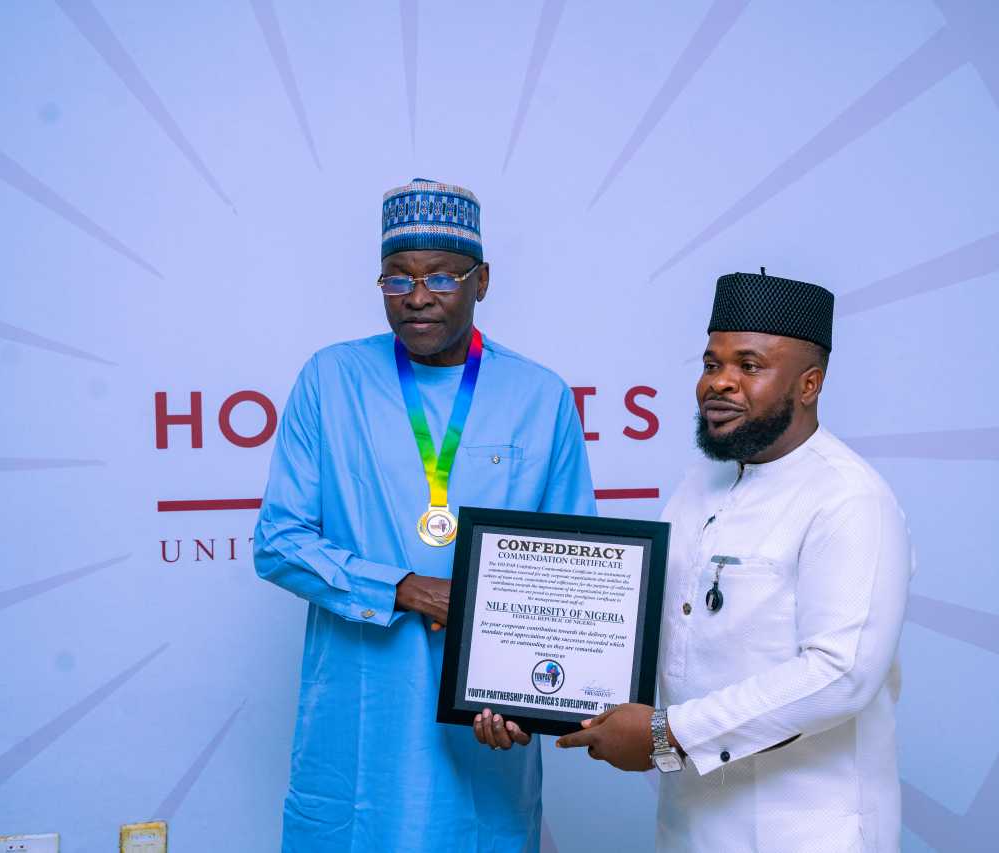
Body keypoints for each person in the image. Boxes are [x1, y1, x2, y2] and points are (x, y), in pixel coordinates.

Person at [254, 178, 596, 852]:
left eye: (441, 276)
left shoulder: (539, 395)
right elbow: (279, 540)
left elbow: (574, 568)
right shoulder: (330, 380)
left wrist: (534, 702)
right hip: (361, 716)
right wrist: (403, 588)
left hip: (484, 725)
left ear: (482, 281)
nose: (416, 296)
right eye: (396, 278)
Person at [555, 271, 914, 852]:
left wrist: (666, 734)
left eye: (749, 366)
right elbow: (658, 631)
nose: (719, 384)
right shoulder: (700, 484)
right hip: (693, 823)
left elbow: (841, 675)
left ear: (809, 384)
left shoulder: (849, 499)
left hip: (805, 830)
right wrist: (543, 695)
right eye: (711, 363)